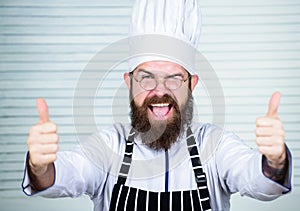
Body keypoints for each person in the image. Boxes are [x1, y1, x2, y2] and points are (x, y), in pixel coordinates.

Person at [22, 0, 292, 210]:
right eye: (146, 77)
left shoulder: (215, 145)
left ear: (192, 84)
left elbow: (260, 182)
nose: (160, 90)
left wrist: (275, 161)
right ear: (129, 82)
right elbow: (61, 177)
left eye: (174, 78)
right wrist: (40, 166)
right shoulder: (108, 147)